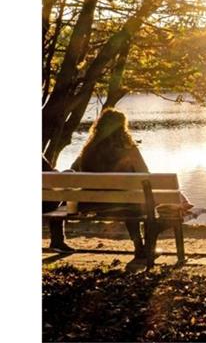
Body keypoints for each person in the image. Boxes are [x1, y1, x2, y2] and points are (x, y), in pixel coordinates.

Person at [70, 108, 149, 259]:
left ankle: (140, 244)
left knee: (129, 201)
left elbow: (74, 171)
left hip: (95, 206)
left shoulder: (88, 150)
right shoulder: (130, 150)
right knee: (135, 203)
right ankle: (139, 244)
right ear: (122, 128)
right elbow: (145, 175)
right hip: (126, 205)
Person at [43, 155, 73, 253]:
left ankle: (58, 242)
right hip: (45, 206)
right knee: (69, 173)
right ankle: (57, 242)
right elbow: (51, 176)